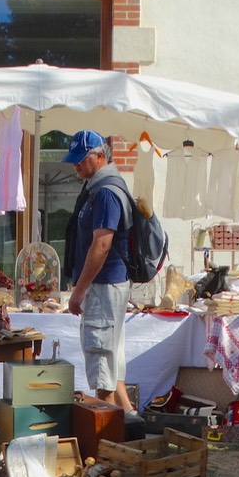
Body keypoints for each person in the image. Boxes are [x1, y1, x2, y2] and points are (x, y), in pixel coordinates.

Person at [63, 130, 137, 416]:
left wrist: (79, 290)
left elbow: (102, 245)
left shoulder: (106, 192)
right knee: (112, 369)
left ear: (100, 156)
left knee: (103, 374)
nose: (76, 166)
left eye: (81, 159)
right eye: (74, 161)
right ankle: (133, 426)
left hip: (103, 287)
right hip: (108, 287)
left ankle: (107, 441)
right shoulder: (99, 187)